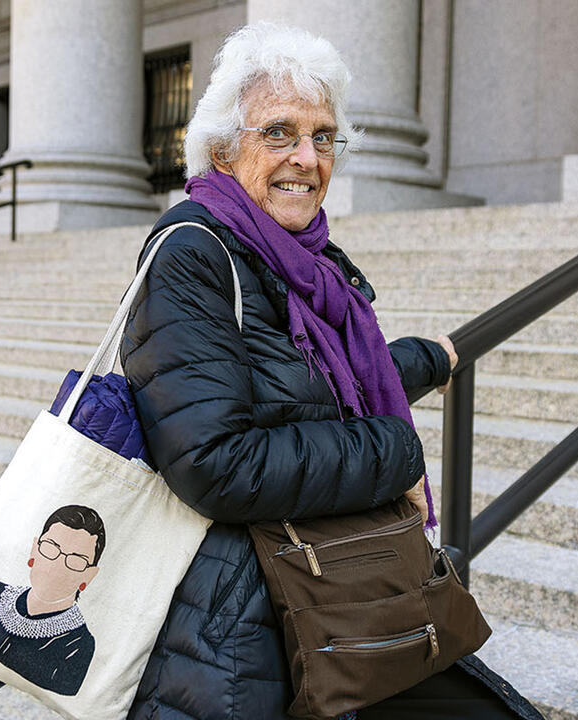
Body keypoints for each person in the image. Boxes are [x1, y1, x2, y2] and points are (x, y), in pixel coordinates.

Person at [120, 22, 544, 720]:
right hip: (244, 627)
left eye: (323, 137)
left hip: (332, 588)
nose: (306, 158)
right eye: (279, 133)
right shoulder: (192, 253)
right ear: (224, 150)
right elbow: (214, 461)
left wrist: (426, 358)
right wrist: (397, 450)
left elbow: (320, 378)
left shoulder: (312, 264)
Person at [0, 505, 104, 697]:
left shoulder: (79, 646)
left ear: (89, 576)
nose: (57, 565)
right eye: (51, 547)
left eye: (77, 560)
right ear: (34, 550)